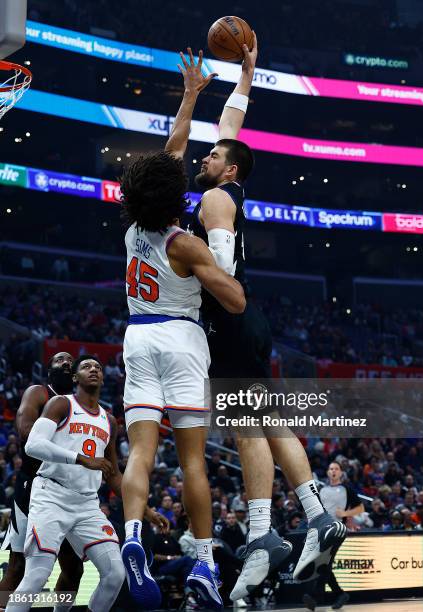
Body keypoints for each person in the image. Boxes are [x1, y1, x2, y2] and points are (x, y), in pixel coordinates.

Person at [183, 32, 346, 599]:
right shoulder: (219, 184)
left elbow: (221, 268)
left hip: (229, 315)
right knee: (265, 419)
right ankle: (310, 515)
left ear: (229, 172)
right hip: (243, 322)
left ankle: (265, 532)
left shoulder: (215, 199)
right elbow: (231, 124)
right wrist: (246, 73)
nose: (206, 153)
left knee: (249, 425)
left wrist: (203, 282)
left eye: (214, 156)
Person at [118, 47, 246, 609]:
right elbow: (236, 302)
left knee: (140, 454)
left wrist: (191, 96)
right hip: (181, 338)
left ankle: (131, 539)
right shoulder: (186, 243)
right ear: (178, 199)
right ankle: (203, 564)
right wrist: (222, 259)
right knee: (193, 460)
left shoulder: (131, 231)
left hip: (136, 337)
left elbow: (169, 158)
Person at [6, 355, 167, 612]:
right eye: (86, 366)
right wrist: (81, 459)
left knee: (115, 573)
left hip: (86, 504)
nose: (93, 369)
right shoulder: (60, 404)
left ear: (103, 378)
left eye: (98, 367)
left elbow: (113, 474)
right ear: (75, 378)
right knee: (35, 574)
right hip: (51, 495)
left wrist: (144, 509)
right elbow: (33, 445)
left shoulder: (109, 420)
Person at [0, 352, 85, 611]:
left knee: (73, 568)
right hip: (33, 485)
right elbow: (26, 433)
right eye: (60, 360)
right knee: (19, 565)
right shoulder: (39, 393)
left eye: (70, 360)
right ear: (50, 371)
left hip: (69, 490)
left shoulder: (82, 407)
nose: (66, 363)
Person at [318, 462, 365, 609]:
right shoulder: (322, 490)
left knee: (325, 563)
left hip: (338, 530)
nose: (333, 471)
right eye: (331, 468)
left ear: (341, 473)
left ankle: (314, 595)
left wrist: (345, 513)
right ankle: (340, 594)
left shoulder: (347, 489)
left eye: (336, 469)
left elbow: (361, 508)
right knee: (323, 565)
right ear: (327, 472)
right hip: (322, 531)